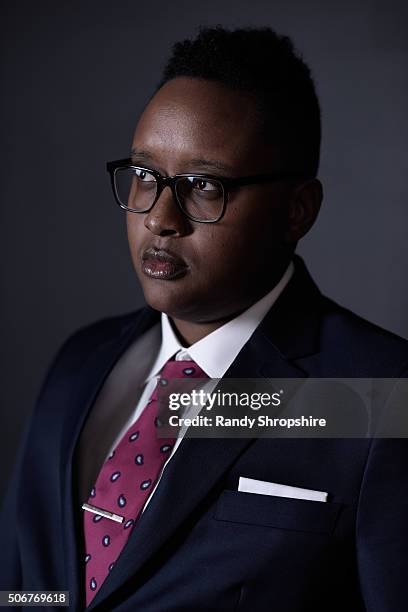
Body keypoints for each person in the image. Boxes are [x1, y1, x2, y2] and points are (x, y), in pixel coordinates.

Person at [1, 26, 407, 612]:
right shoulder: (80, 363)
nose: (161, 218)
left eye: (203, 186)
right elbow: (27, 580)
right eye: (145, 175)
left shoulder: (381, 397)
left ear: (298, 210)